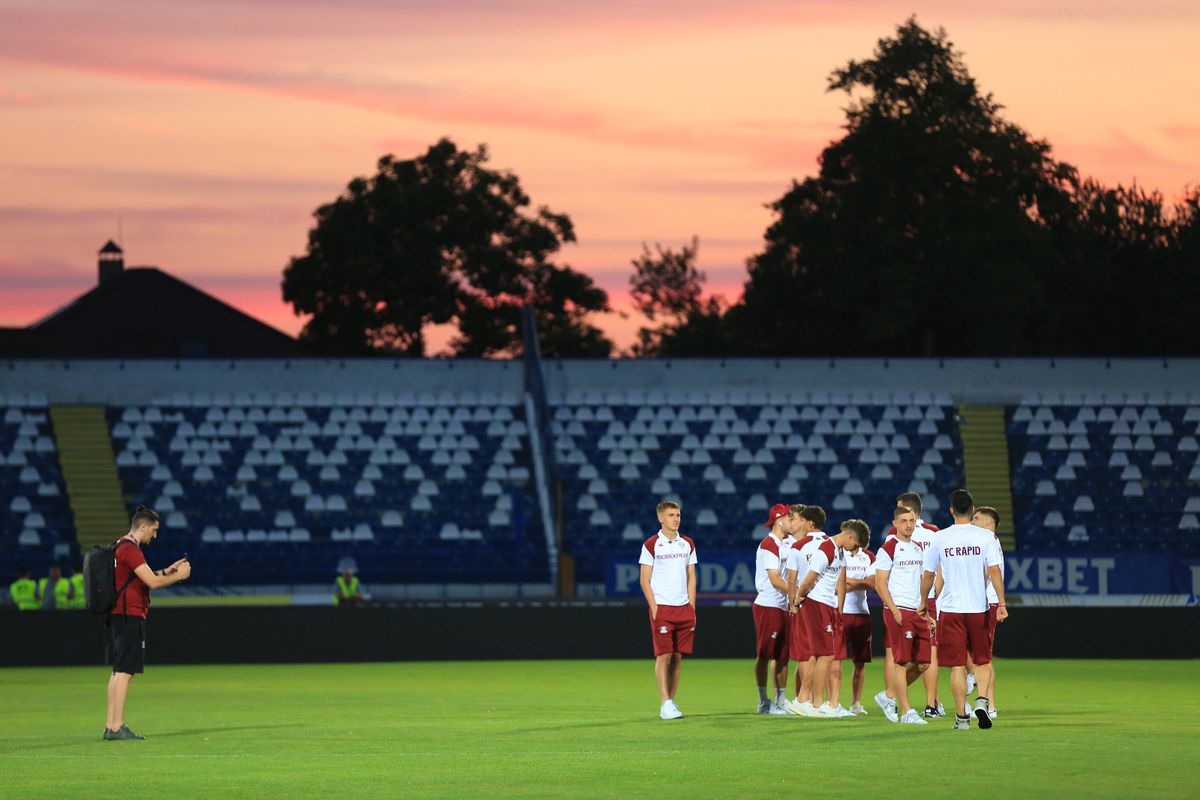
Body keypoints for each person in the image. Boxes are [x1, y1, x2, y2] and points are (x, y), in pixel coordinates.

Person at [918, 489, 1007, 731]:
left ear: (951, 510)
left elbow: (928, 574)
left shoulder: (940, 537)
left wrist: (923, 602)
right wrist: (1001, 603)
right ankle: (982, 701)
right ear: (972, 510)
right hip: (978, 607)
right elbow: (995, 571)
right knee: (982, 661)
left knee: (957, 666)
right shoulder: (986, 538)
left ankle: (962, 718)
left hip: (950, 609)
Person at [105, 505, 191, 741]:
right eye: (153, 530)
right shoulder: (131, 550)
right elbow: (152, 583)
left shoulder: (120, 544)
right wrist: (179, 576)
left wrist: (167, 570)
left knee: (118, 671)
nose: (155, 535)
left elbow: (142, 577)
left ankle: (111, 724)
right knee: (125, 671)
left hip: (120, 614)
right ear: (142, 527)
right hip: (129, 614)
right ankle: (116, 727)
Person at [791, 519, 870, 718]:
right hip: (817, 604)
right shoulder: (825, 549)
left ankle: (808, 701)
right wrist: (798, 599)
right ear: (850, 537)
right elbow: (809, 578)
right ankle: (814, 703)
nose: (855, 550)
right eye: (856, 545)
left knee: (821, 655)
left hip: (827, 605)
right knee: (825, 655)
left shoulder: (839, 551)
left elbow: (837, 581)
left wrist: (837, 608)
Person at [886, 491, 945, 717]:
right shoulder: (935, 533)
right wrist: (935, 597)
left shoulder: (894, 535)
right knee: (931, 652)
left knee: (898, 654)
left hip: (905, 600)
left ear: (907, 510)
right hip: (927, 598)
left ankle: (891, 696)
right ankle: (932, 704)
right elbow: (940, 570)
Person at [873, 505, 932, 725]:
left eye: (911, 521)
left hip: (917, 611)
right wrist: (894, 610)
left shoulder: (917, 548)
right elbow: (879, 583)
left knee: (924, 663)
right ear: (895, 524)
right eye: (904, 521)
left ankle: (889, 696)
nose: (909, 525)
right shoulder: (888, 549)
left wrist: (925, 609)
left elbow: (919, 581)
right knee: (901, 661)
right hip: (898, 611)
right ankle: (907, 712)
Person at [639, 500, 697, 720]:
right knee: (663, 656)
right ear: (660, 518)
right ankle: (665, 703)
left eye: (678, 515)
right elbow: (645, 579)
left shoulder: (688, 544)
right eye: (671, 515)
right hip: (662, 607)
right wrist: (654, 607)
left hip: (683, 608)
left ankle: (672, 701)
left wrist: (692, 606)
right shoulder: (651, 544)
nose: (676, 519)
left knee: (677, 657)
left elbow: (691, 576)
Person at [783, 505, 828, 716]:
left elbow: (792, 579)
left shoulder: (798, 547)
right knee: (820, 654)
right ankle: (812, 700)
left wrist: (792, 603)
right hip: (826, 605)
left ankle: (804, 698)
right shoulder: (831, 544)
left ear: (807, 523)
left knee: (806, 653)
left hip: (804, 604)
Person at [752, 503, 796, 714]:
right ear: (780, 520)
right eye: (789, 518)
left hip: (783, 605)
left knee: (783, 656)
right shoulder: (769, 545)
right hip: (769, 604)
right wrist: (796, 592)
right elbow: (774, 578)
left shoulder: (787, 542)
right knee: (765, 654)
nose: (792, 521)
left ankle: (780, 699)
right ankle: (763, 701)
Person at [970, 506, 1005, 718]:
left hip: (987, 603)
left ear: (986, 523)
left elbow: (990, 572)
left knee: (984, 658)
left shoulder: (988, 542)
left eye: (976, 518)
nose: (972, 522)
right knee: (980, 656)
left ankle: (990, 706)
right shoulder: (991, 542)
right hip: (986, 602)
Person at [842, 535, 875, 715]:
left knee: (860, 663)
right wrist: (860, 583)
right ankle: (831, 702)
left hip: (862, 613)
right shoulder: (838, 554)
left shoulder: (869, 556)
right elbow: (837, 583)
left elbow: (873, 582)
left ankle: (855, 702)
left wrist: (848, 583)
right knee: (832, 660)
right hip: (841, 612)